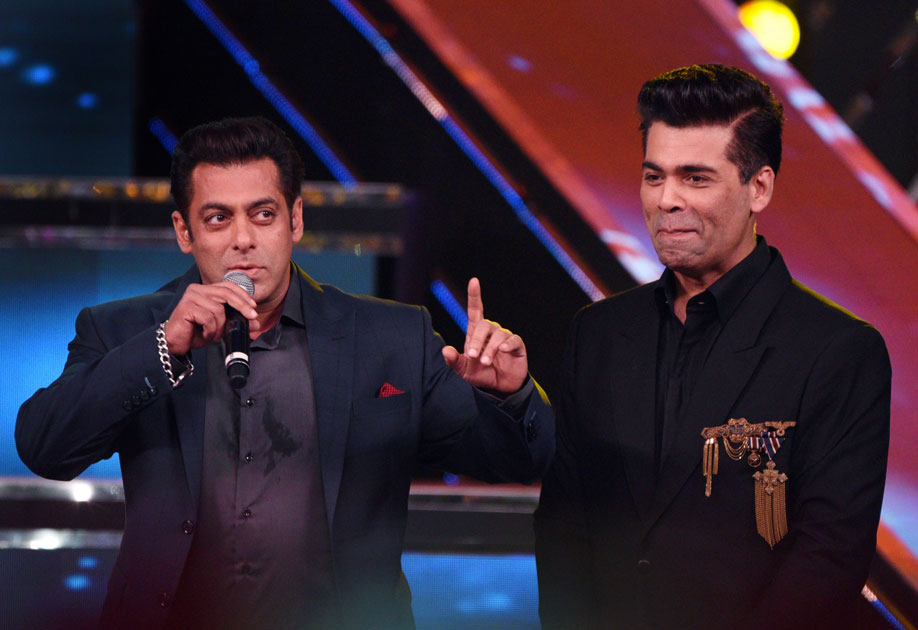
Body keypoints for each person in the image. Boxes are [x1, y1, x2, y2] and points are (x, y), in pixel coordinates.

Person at [16, 116, 554, 629]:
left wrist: (512, 397)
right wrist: (162, 349)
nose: (243, 239)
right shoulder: (124, 330)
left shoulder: (389, 338)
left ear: (295, 219)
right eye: (218, 217)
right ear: (184, 231)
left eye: (263, 214)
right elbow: (45, 446)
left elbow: (519, 458)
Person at [534, 64, 891, 630]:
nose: (666, 200)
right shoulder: (596, 333)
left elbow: (827, 562)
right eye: (654, 176)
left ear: (760, 188)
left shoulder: (839, 352)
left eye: (695, 178)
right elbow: (564, 526)